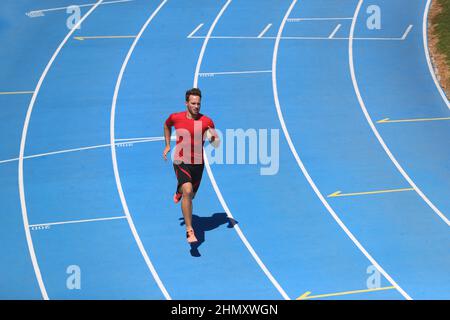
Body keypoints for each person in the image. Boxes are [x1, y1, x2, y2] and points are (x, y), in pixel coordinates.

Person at [163, 88, 220, 244]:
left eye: (198, 104)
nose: (196, 106)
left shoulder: (207, 121)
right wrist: (168, 145)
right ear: (186, 103)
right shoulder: (176, 117)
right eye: (193, 103)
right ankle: (189, 230)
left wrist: (213, 137)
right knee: (188, 191)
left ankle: (179, 189)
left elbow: (215, 144)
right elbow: (166, 125)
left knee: (191, 195)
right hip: (181, 160)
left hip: (198, 164)